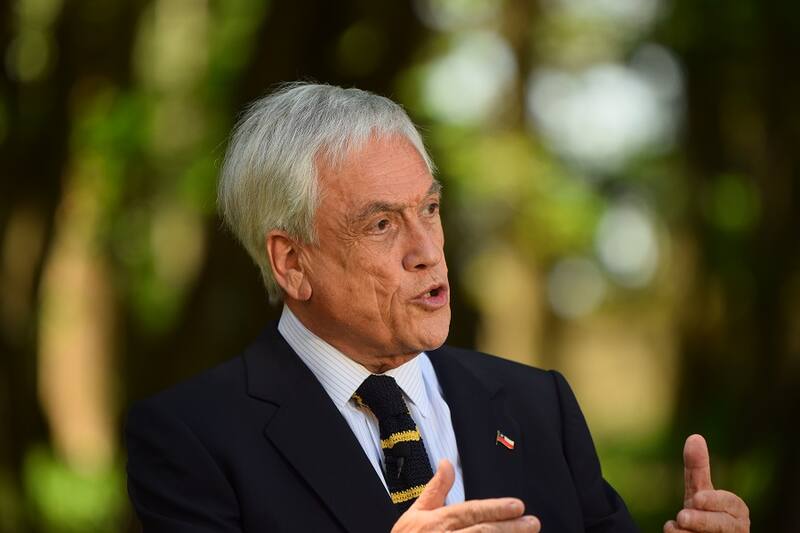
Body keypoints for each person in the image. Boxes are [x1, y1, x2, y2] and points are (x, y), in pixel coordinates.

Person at [125, 83, 750, 533]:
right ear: (291, 262)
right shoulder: (191, 439)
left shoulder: (538, 405)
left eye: (429, 209)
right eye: (381, 225)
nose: (427, 251)